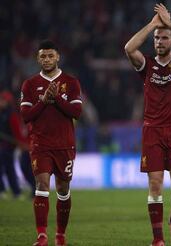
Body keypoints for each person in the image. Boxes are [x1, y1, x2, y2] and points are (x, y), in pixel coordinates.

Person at [124, 4, 171, 246]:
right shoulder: (146, 66)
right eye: (157, 38)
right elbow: (128, 48)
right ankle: (158, 240)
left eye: (164, 38)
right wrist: (153, 24)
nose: (160, 41)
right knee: (155, 184)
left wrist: (170, 23)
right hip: (152, 130)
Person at [20, 40, 82, 246]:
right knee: (42, 184)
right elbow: (26, 116)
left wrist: (57, 99)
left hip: (65, 145)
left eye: (50, 56)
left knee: (63, 190)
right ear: (38, 58)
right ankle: (42, 236)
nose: (47, 60)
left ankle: (60, 235)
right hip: (40, 145)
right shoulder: (29, 84)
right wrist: (44, 100)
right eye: (43, 56)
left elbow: (76, 112)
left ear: (58, 58)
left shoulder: (71, 82)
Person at [0, 90, 24, 199]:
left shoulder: (11, 115)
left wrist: (20, 143)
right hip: (5, 145)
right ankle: (14, 191)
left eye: (3, 100)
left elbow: (16, 132)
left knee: (9, 169)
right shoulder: (4, 113)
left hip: (8, 146)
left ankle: (13, 191)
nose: (1, 102)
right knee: (9, 169)